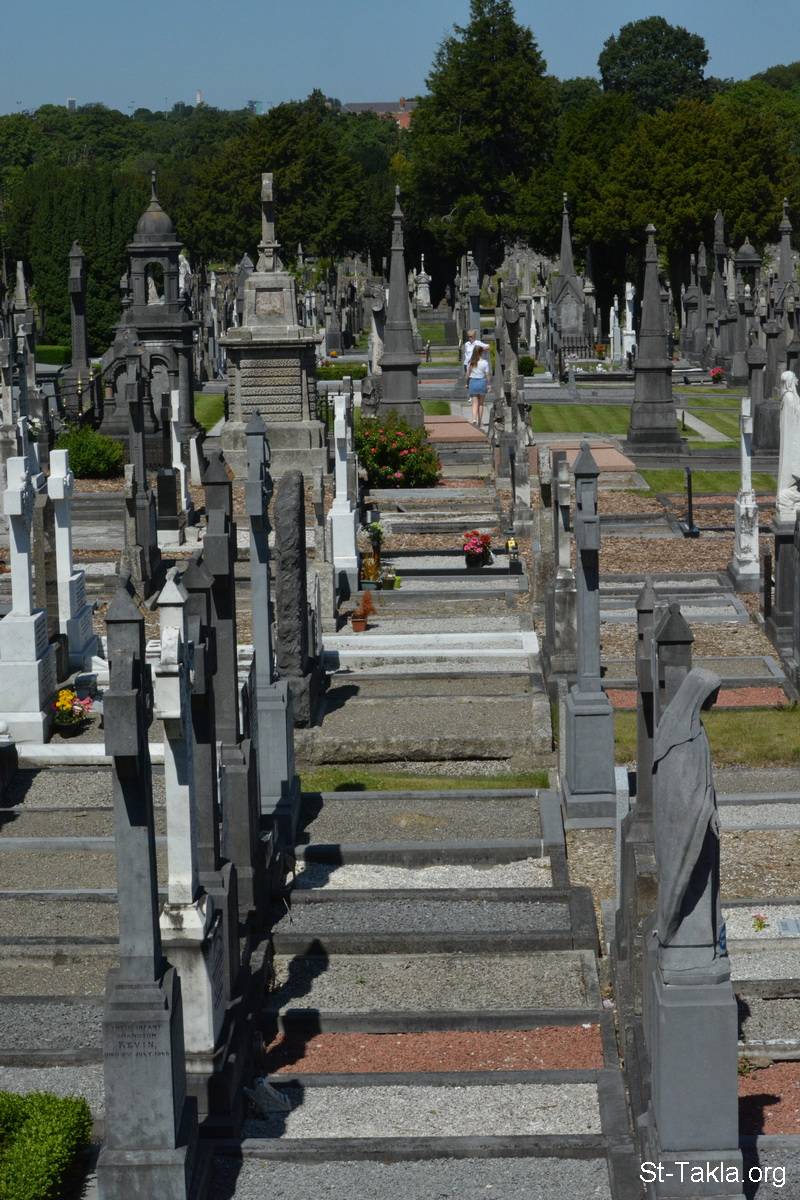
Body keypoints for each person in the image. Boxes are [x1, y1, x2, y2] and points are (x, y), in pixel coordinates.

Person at [467, 344, 490, 427]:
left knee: (474, 403)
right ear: (481, 353)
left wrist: (467, 383)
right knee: (481, 403)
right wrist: (489, 384)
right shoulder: (485, 363)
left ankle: (474, 419)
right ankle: (480, 421)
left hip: (473, 382)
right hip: (482, 382)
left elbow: (468, 374)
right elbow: (487, 375)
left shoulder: (471, 362)